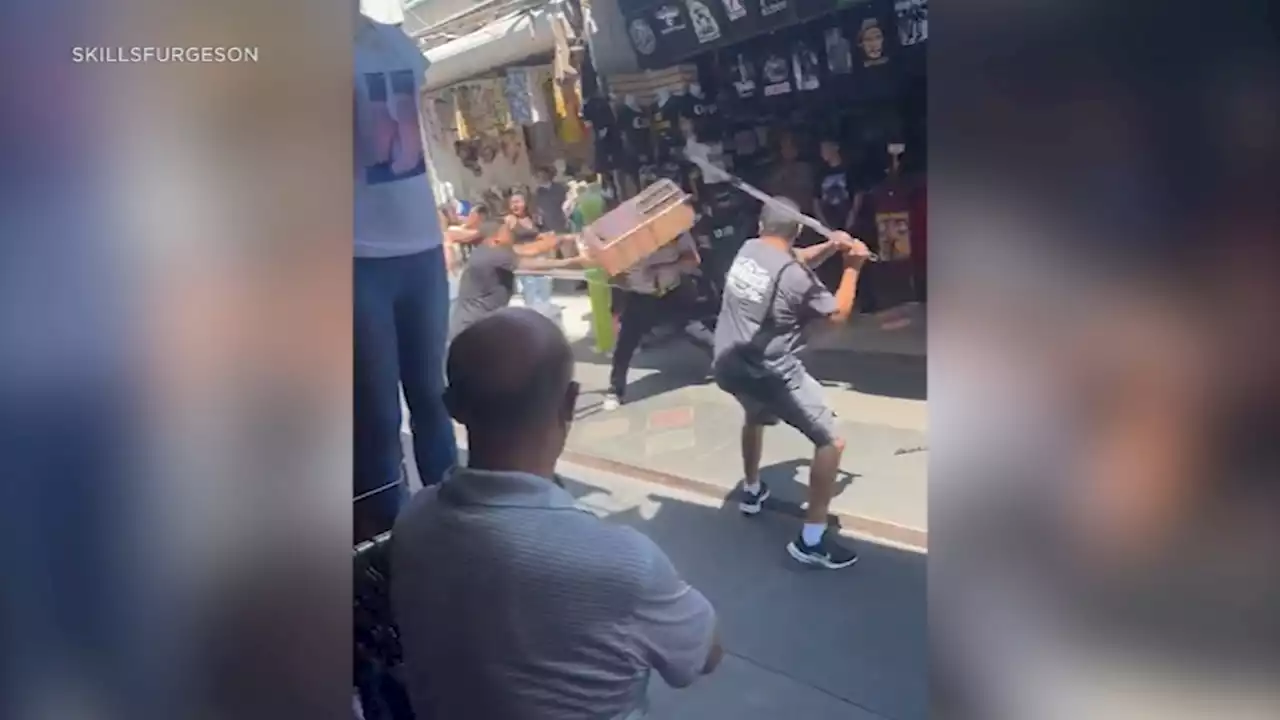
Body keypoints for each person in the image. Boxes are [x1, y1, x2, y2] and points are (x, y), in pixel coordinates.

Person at [393, 309, 723, 720]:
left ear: (451, 407)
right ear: (569, 401)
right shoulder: (623, 565)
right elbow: (703, 655)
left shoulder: (413, 523)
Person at [713, 198, 871, 569]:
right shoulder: (794, 277)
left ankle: (752, 491)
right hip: (768, 370)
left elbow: (792, 259)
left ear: (761, 223)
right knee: (831, 440)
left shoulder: (750, 250)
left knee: (755, 416)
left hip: (727, 362)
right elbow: (837, 314)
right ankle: (810, 540)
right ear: (797, 229)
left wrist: (831, 246)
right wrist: (852, 266)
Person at [353, 7, 455, 538]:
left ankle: (454, 523)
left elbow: (422, 136)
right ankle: (392, 544)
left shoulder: (399, 45)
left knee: (431, 396)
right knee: (378, 415)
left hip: (420, 244)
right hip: (356, 255)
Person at [603, 231, 716, 411]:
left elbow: (693, 259)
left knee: (694, 330)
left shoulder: (675, 232)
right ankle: (615, 390)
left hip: (672, 292)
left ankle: (726, 365)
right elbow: (613, 273)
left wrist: (664, 266)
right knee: (626, 343)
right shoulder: (624, 239)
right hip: (641, 296)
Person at [449, 220, 586, 341]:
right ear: (495, 239)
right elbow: (531, 262)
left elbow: (526, 250)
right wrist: (572, 261)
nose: (511, 235)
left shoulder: (490, 250)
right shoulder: (494, 255)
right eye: (507, 232)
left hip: (479, 325)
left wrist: (565, 239)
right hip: (473, 328)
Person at [506, 191, 558, 318]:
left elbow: (550, 235)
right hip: (525, 263)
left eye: (517, 202)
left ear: (526, 203)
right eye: (512, 203)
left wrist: (552, 259)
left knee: (545, 297)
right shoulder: (510, 220)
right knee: (531, 298)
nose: (514, 206)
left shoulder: (535, 218)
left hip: (541, 260)